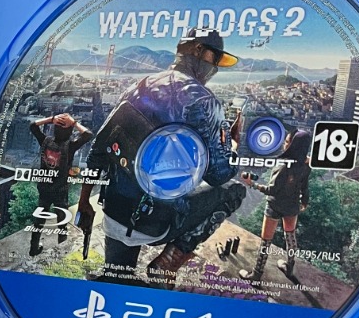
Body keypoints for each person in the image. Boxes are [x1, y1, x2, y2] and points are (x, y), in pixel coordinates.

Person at [76, 28, 246, 287]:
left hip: (114, 213)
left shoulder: (137, 87)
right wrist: (232, 144)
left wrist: (83, 203)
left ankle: (115, 273)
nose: (215, 68)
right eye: (216, 59)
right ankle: (170, 260)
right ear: (199, 50)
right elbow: (219, 175)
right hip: (157, 222)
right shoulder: (204, 101)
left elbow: (97, 150)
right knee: (234, 190)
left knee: (117, 278)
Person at [240, 129, 311, 282]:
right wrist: (305, 201)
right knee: (290, 236)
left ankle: (256, 275)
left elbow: (271, 190)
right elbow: (304, 186)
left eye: (287, 142)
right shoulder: (306, 164)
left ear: (293, 145)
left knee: (266, 241)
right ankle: (289, 268)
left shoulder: (283, 166)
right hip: (292, 206)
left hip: (274, 206)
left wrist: (252, 184)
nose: (284, 144)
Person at [27, 112, 93, 257]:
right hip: (60, 190)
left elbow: (32, 126)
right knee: (62, 222)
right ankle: (61, 250)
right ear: (70, 132)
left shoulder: (45, 141)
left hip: (44, 187)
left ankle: (33, 248)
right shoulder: (70, 146)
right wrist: (74, 122)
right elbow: (88, 135)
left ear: (54, 129)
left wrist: (52, 119)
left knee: (39, 220)